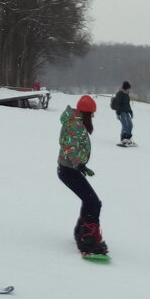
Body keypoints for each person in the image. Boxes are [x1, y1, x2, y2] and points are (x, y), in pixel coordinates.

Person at [57, 94, 109, 256]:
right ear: (86, 113)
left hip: (69, 168)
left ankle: (82, 232)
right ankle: (88, 238)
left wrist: (81, 164)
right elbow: (70, 146)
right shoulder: (75, 125)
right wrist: (79, 163)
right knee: (93, 202)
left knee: (90, 200)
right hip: (68, 169)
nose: (93, 116)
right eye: (92, 113)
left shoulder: (76, 122)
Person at [111, 80, 136, 146]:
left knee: (130, 125)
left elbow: (128, 104)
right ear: (126, 88)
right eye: (129, 88)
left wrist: (130, 111)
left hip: (126, 112)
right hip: (121, 112)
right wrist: (118, 113)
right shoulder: (119, 94)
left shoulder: (127, 95)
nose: (129, 90)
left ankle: (128, 138)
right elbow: (117, 104)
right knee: (125, 125)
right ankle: (123, 139)